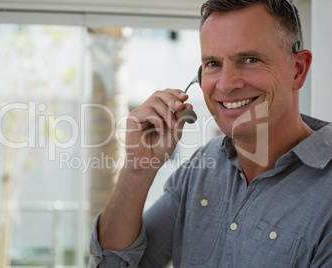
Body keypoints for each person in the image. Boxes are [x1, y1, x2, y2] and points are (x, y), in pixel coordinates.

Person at [89, 0, 332, 267]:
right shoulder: (201, 169)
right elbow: (115, 263)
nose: (226, 85)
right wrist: (137, 170)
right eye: (213, 63)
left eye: (250, 60)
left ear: (297, 70)